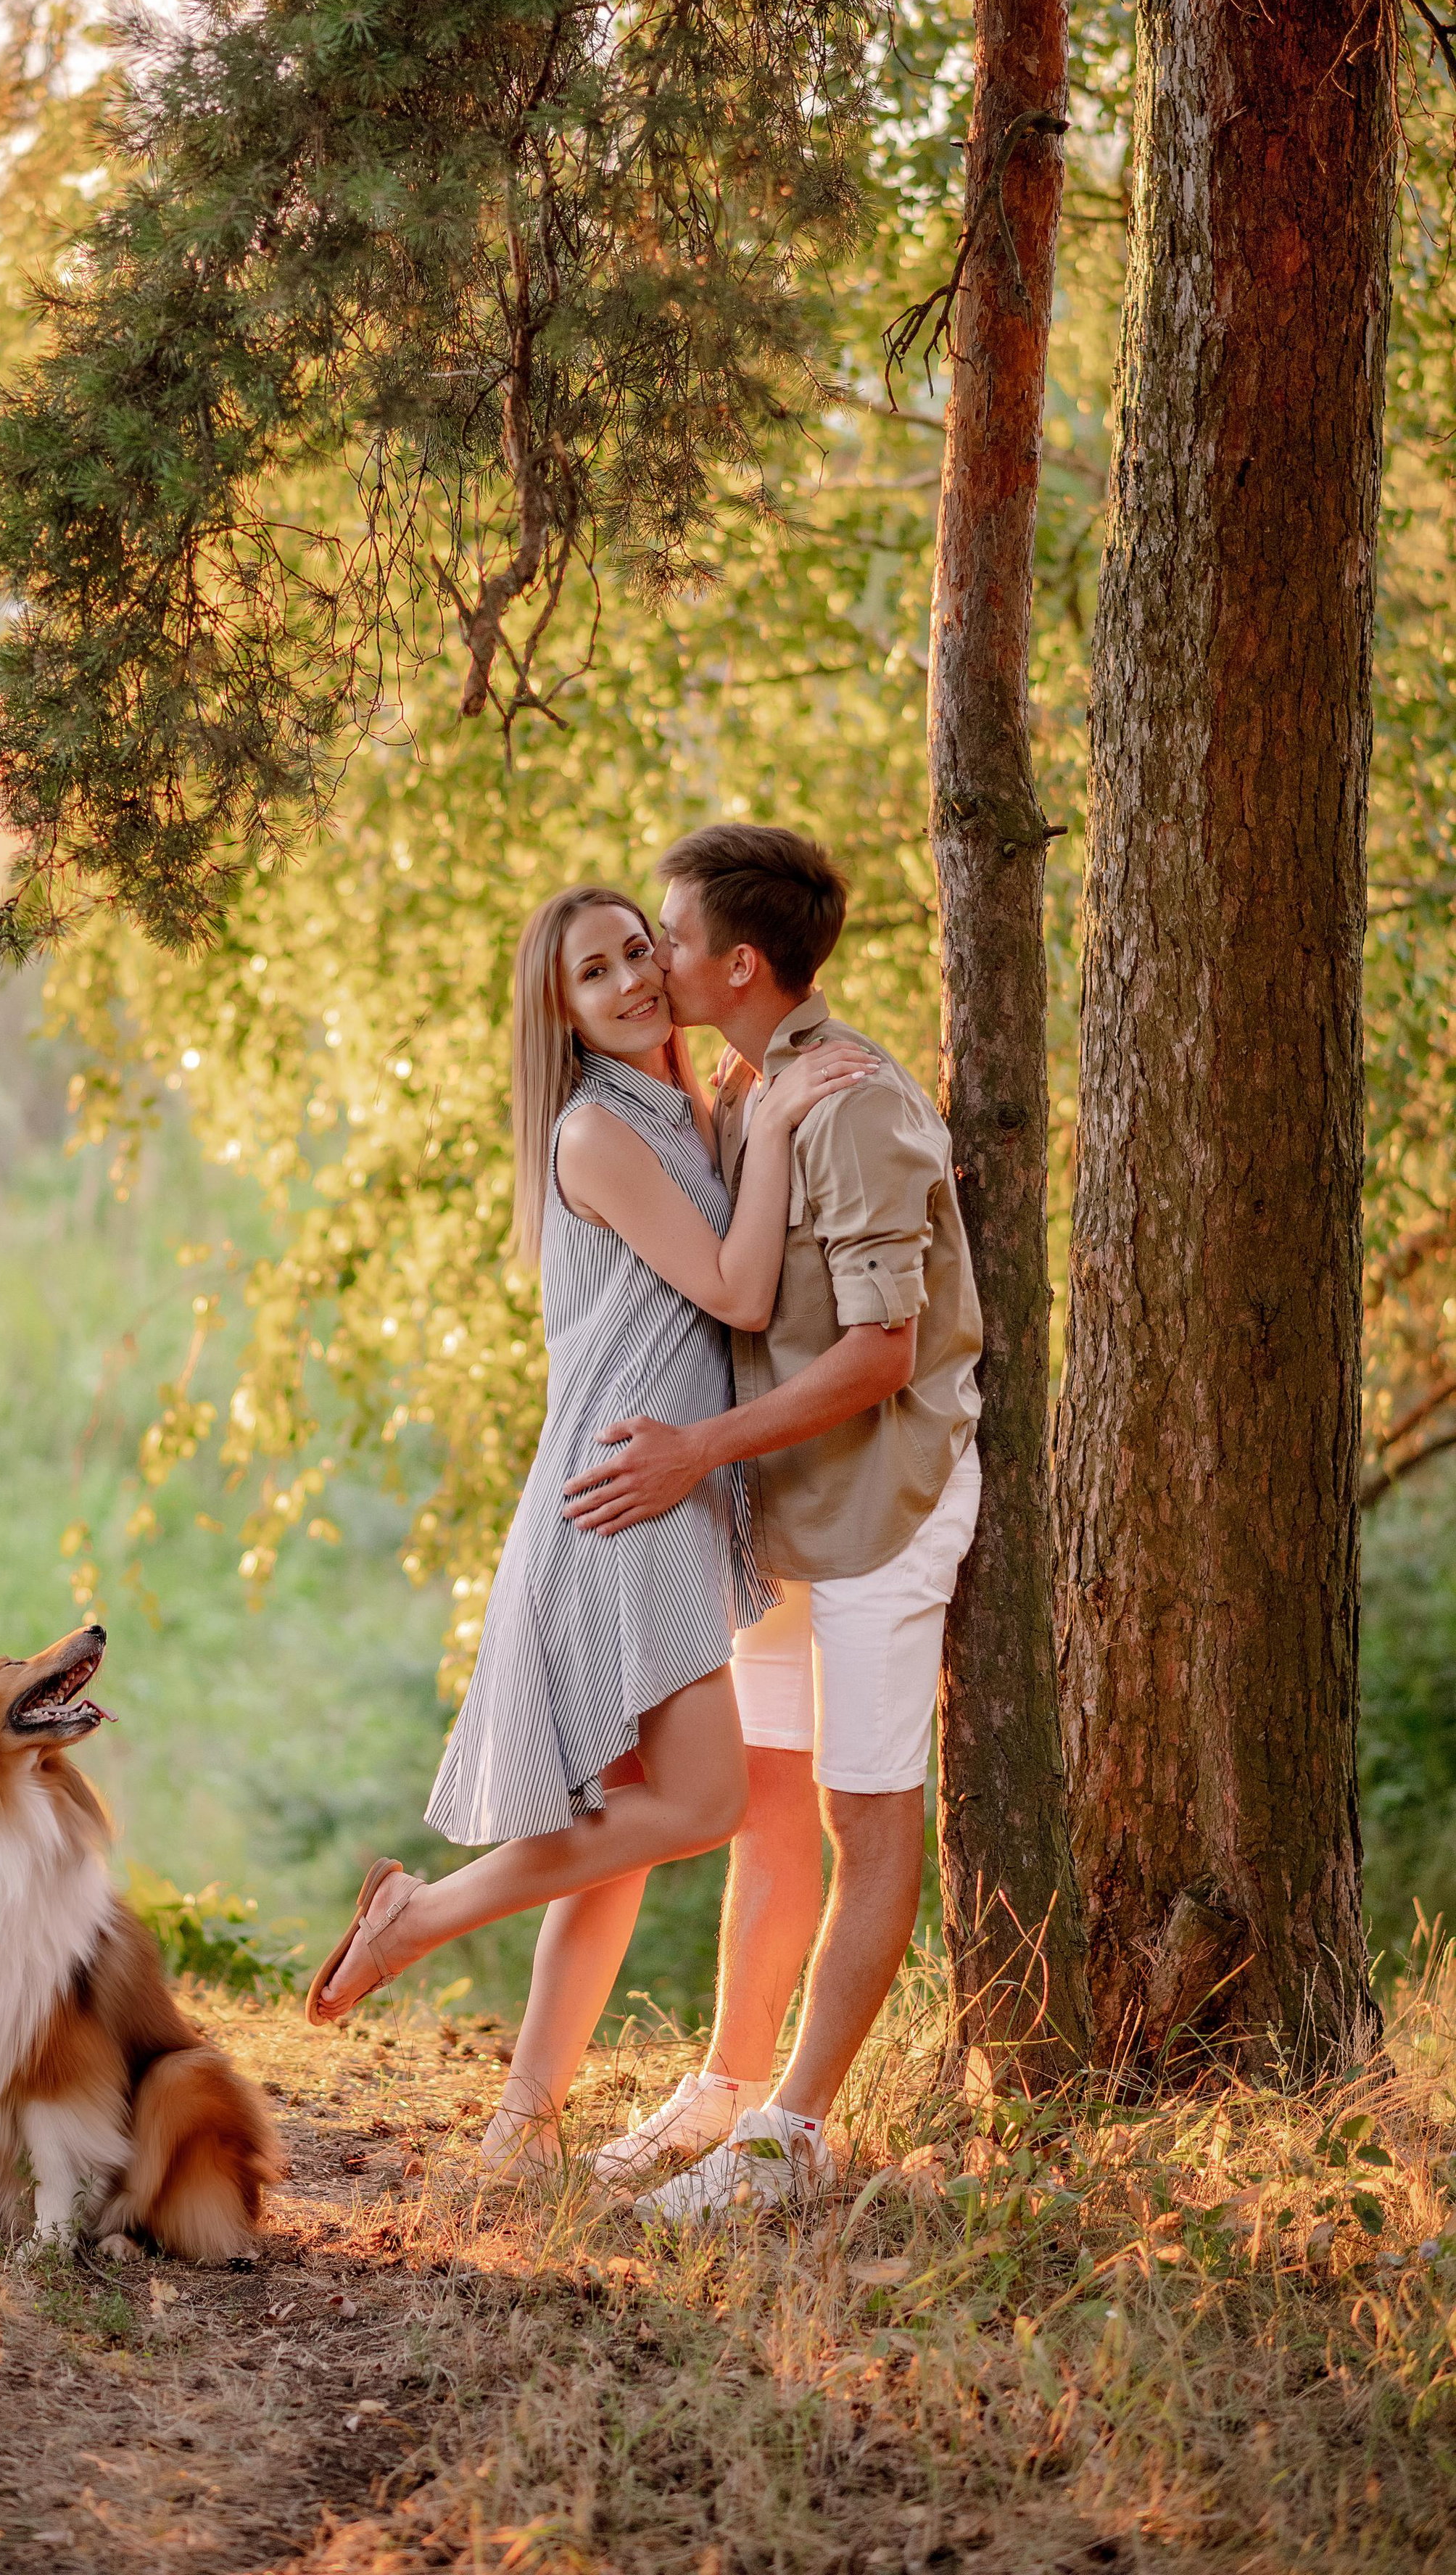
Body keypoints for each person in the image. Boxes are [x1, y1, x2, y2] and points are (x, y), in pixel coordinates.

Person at [302, 883, 872, 2178]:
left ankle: (522, 2130)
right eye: (592, 974)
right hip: (631, 1492)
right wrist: (779, 1121)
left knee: (621, 1829)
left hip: (658, 1486)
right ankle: (417, 1917)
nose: (626, 983)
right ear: (557, 1011)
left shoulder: (682, 1114)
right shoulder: (594, 1132)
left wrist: (763, 1111)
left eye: (636, 954)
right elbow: (735, 1286)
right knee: (708, 1799)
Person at [563, 824, 983, 2221]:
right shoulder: (752, 1086)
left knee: (865, 1813)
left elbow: (877, 1359)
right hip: (779, 1508)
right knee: (765, 1805)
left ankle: (791, 2136)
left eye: (667, 939)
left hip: (878, 1505)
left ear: (738, 965)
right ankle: (733, 2083)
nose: (651, 962)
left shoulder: (855, 1102)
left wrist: (695, 1453)